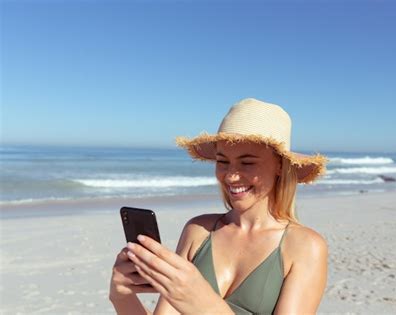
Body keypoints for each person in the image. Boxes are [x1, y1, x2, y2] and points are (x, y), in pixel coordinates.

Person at [109, 98, 329, 314]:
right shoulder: (199, 230)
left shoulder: (304, 247)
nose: (231, 176)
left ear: (280, 166)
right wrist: (121, 297)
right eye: (223, 161)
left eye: (247, 162)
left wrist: (204, 304)